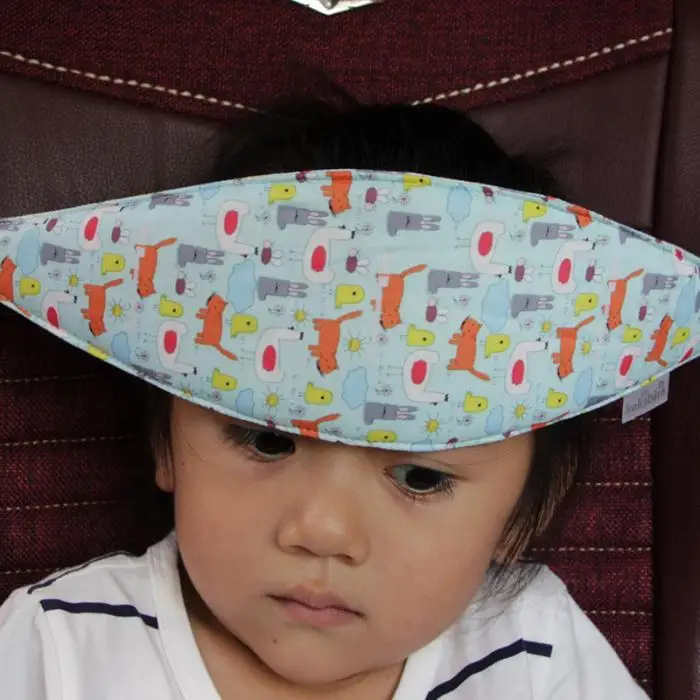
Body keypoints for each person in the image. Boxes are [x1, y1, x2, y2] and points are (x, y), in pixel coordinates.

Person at [0, 100, 649, 699]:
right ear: (164, 440)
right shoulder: (58, 651)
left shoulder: (537, 652)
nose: (321, 531)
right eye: (266, 440)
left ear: (528, 511)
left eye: (420, 477)